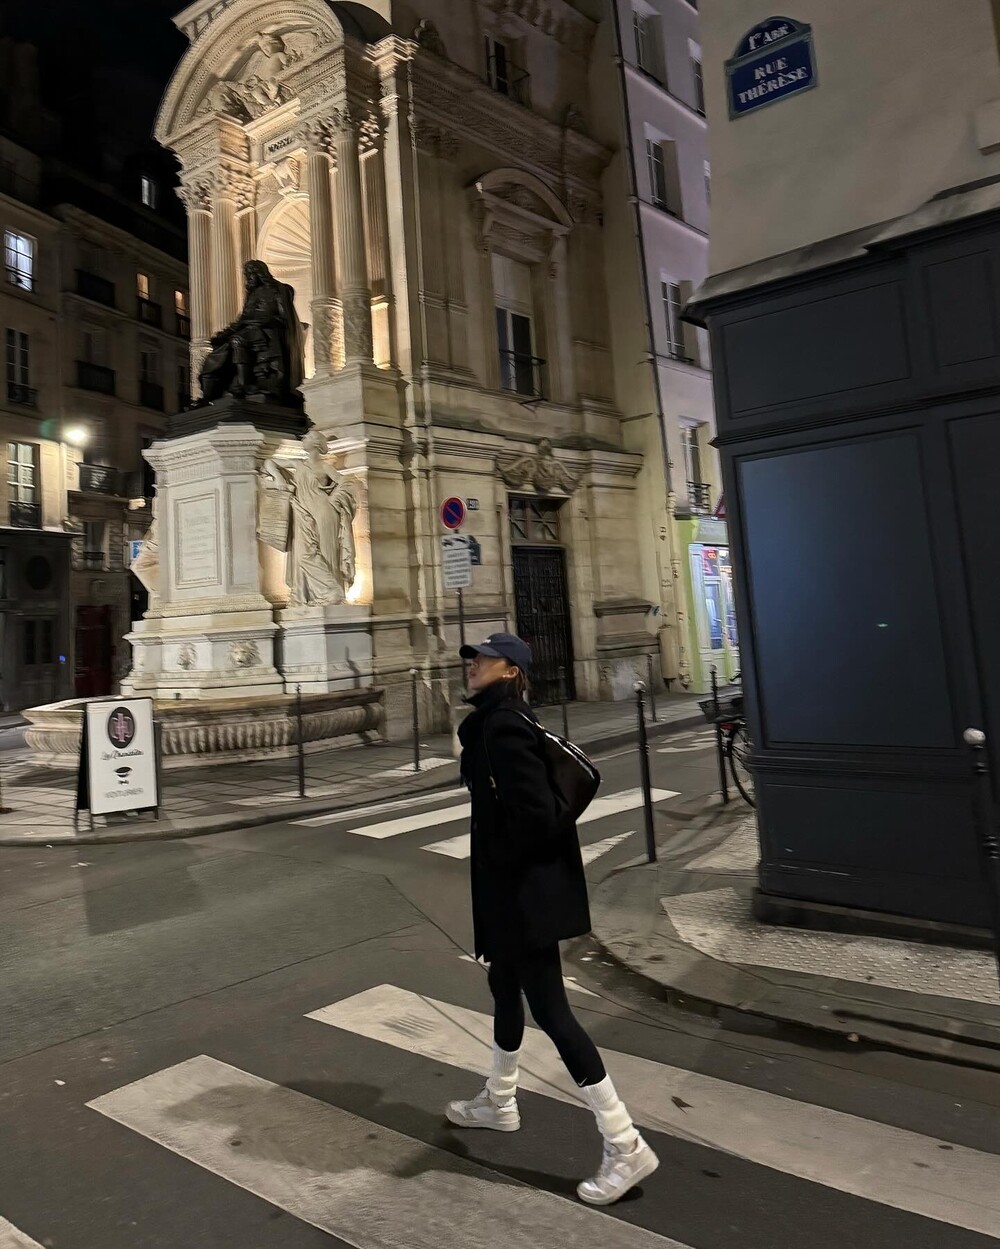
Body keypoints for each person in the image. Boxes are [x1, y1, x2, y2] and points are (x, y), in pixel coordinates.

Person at [446, 633, 659, 1206]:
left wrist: (503, 869)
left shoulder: (502, 727)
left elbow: (538, 818)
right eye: (471, 658)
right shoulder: (500, 721)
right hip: (513, 892)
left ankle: (625, 1142)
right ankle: (500, 1100)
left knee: (552, 1011)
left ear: (511, 670)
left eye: (484, 658)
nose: (472, 665)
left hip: (523, 896)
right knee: (504, 986)